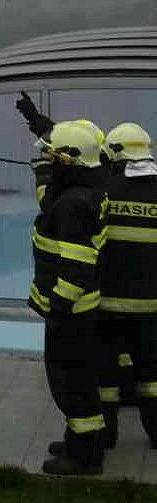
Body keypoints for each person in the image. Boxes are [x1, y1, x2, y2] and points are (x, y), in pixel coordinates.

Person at [27, 121, 109, 476]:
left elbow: (76, 267)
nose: (49, 161)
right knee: (78, 379)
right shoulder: (85, 191)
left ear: (71, 161)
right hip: (79, 308)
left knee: (71, 383)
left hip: (70, 310)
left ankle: (84, 457)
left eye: (53, 157)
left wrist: (59, 306)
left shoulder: (72, 205)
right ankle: (81, 440)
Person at [96, 122, 157, 448]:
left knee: (106, 376)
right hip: (153, 308)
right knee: (152, 374)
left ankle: (107, 435)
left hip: (109, 306)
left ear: (116, 155)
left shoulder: (107, 192)